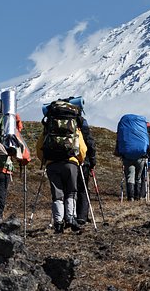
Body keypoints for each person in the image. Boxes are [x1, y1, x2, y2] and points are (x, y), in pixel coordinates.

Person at [37, 100, 87, 234]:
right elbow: (82, 148)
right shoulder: (74, 126)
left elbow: (39, 148)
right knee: (71, 191)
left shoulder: (49, 126)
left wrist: (46, 160)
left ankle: (58, 222)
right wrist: (79, 160)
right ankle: (70, 218)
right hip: (71, 163)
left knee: (57, 194)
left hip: (52, 164)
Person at [114, 115, 150, 201]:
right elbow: (149, 145)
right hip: (141, 156)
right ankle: (137, 197)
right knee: (138, 177)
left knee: (129, 177)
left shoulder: (125, 127)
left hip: (127, 156)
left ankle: (130, 198)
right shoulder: (143, 129)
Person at [76, 118, 97, 225]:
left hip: (61, 160)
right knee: (82, 189)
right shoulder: (81, 121)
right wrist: (92, 161)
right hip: (83, 161)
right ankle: (81, 217)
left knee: (67, 190)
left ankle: (66, 217)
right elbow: (89, 142)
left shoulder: (55, 119)